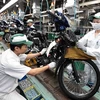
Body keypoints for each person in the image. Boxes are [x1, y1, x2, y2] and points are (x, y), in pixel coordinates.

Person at [0, 33, 56, 100]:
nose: (27, 47)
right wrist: (49, 66)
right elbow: (33, 72)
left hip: (8, 86)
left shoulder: (11, 52)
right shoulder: (10, 62)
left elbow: (25, 56)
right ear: (17, 48)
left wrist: (40, 53)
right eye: (25, 46)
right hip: (4, 92)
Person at [76, 12, 100, 85]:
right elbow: (81, 42)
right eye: (94, 21)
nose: (95, 23)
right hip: (88, 63)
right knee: (86, 84)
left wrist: (86, 49)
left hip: (98, 65)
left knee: (96, 85)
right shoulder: (91, 33)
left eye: (97, 22)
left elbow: (99, 52)